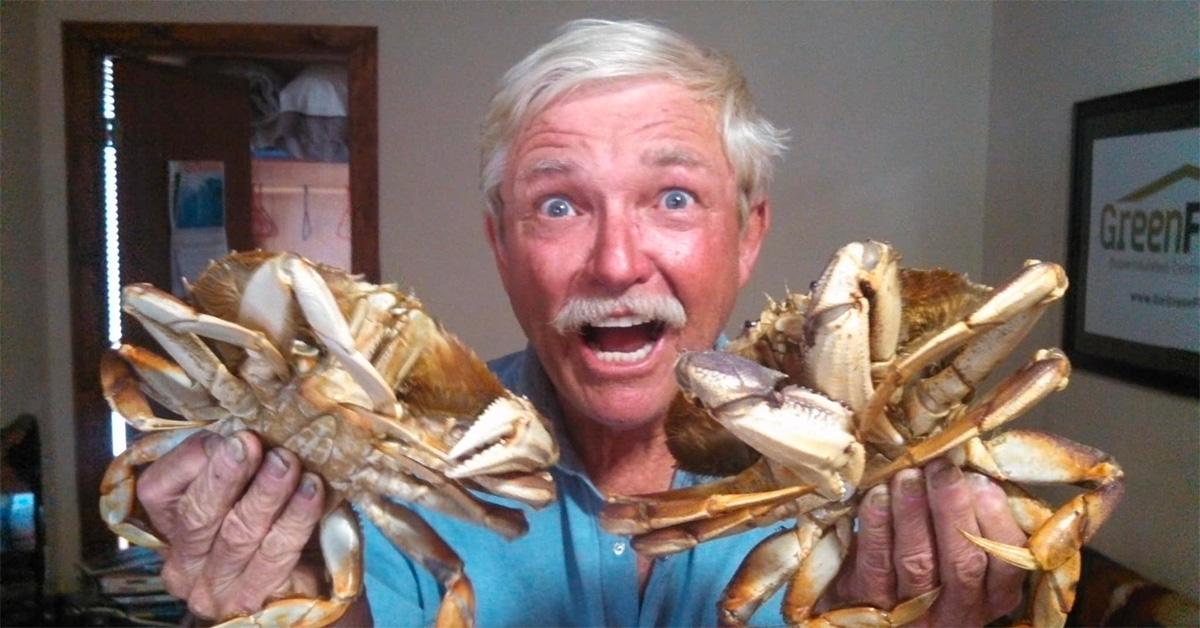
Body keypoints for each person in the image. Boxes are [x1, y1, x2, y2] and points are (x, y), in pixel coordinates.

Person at [134, 19, 1027, 626]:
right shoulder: (387, 470)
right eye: (559, 206)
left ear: (748, 235)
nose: (615, 261)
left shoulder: (889, 499)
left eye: (674, 198)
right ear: (501, 243)